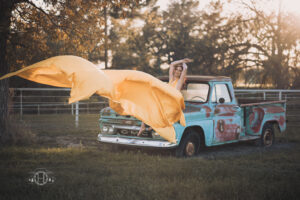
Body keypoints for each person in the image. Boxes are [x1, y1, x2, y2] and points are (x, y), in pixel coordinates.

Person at [137, 58, 193, 136]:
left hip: (171, 105)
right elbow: (172, 64)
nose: (178, 71)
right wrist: (182, 60)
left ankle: (153, 126)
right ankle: (143, 127)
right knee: (148, 105)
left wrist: (184, 65)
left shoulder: (179, 82)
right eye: (177, 70)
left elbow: (185, 68)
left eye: (180, 71)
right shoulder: (171, 80)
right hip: (165, 102)